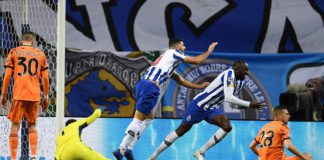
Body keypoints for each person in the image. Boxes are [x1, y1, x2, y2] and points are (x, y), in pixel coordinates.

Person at [113, 38, 218, 160]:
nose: (185, 47)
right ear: (177, 46)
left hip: (145, 85)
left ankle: (129, 149)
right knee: (138, 119)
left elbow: (180, 80)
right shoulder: (173, 52)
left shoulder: (167, 59)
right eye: (183, 45)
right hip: (151, 86)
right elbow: (195, 61)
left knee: (149, 118)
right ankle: (121, 149)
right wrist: (209, 51)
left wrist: (199, 86)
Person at [149, 61, 267, 160]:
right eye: (244, 70)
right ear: (236, 69)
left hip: (212, 108)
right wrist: (250, 104)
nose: (246, 72)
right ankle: (154, 156)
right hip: (199, 105)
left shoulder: (241, 82)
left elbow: (231, 102)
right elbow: (229, 97)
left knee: (227, 126)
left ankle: (201, 151)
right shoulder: (229, 74)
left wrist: (244, 106)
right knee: (181, 131)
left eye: (247, 70)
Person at [1, 31, 50, 160]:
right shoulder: (40, 54)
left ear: (21, 41)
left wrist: (3, 93)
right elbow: (45, 78)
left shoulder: (14, 52)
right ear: (33, 42)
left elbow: (7, 75)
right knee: (32, 125)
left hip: (19, 94)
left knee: (15, 125)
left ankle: (13, 158)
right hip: (34, 95)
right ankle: (33, 155)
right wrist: (46, 96)